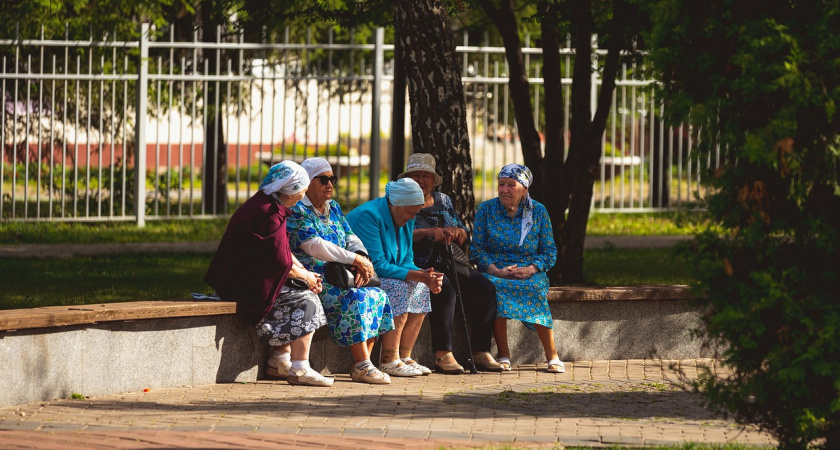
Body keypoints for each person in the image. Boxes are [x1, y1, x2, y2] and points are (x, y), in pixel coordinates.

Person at [204, 161, 334, 387]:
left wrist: (305, 272)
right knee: (307, 299)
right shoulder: (267, 213)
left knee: (303, 288)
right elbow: (279, 261)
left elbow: (281, 248)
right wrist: (307, 278)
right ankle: (300, 369)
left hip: (249, 276)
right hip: (242, 283)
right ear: (292, 189)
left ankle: (280, 360)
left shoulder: (269, 204)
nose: (303, 194)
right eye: (302, 189)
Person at [287, 158, 395, 385]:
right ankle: (363, 364)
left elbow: (350, 236)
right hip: (314, 276)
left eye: (332, 179)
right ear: (308, 182)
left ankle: (362, 365)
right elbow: (313, 245)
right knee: (353, 297)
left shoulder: (333, 207)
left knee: (378, 294)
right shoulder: (297, 209)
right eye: (323, 179)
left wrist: (362, 258)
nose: (329, 184)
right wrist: (353, 259)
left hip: (342, 273)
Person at [399, 153, 503, 373]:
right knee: (444, 288)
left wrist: (457, 233)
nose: (421, 180)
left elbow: (463, 233)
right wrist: (429, 232)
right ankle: (443, 354)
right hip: (417, 262)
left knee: (485, 287)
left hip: (449, 259)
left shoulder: (443, 200)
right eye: (415, 175)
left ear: (432, 179)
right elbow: (398, 235)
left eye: (425, 176)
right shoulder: (399, 201)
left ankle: (480, 352)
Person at [346, 178, 444, 377]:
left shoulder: (406, 216)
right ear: (396, 204)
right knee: (398, 287)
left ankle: (403, 356)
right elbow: (378, 266)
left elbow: (406, 259)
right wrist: (418, 275)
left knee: (420, 287)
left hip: (383, 274)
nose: (411, 218)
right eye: (410, 212)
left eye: (415, 213)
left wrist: (425, 276)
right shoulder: (370, 215)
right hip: (358, 276)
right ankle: (389, 359)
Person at [471, 164, 565, 373]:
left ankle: (552, 355)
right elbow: (477, 249)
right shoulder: (486, 210)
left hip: (529, 270)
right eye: (501, 184)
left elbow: (549, 251)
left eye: (511, 185)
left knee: (534, 288)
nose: (504, 189)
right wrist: (495, 270)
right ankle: (504, 355)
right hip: (496, 270)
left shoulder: (538, 211)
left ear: (524, 189)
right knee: (493, 288)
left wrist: (531, 269)